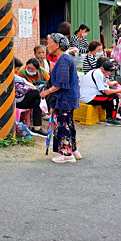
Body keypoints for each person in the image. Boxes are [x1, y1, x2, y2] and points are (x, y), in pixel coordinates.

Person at [41, 33, 79, 162]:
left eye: (49, 42)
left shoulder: (63, 59)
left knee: (63, 124)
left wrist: (46, 92)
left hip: (64, 97)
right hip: (69, 97)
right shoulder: (67, 58)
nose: (47, 46)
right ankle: (73, 149)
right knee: (68, 123)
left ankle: (66, 154)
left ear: (57, 45)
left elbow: (61, 83)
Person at [79, 57, 121, 126]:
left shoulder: (98, 72)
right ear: (103, 69)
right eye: (108, 72)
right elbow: (107, 92)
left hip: (92, 95)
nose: (109, 73)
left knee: (113, 96)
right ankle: (111, 119)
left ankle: (110, 115)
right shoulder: (99, 74)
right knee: (113, 97)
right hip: (89, 98)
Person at [13, 59, 45, 132]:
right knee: (36, 93)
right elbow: (26, 83)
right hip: (17, 101)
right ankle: (45, 108)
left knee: (36, 102)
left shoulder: (42, 72)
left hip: (21, 99)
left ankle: (37, 128)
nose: (17, 71)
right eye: (17, 69)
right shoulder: (12, 76)